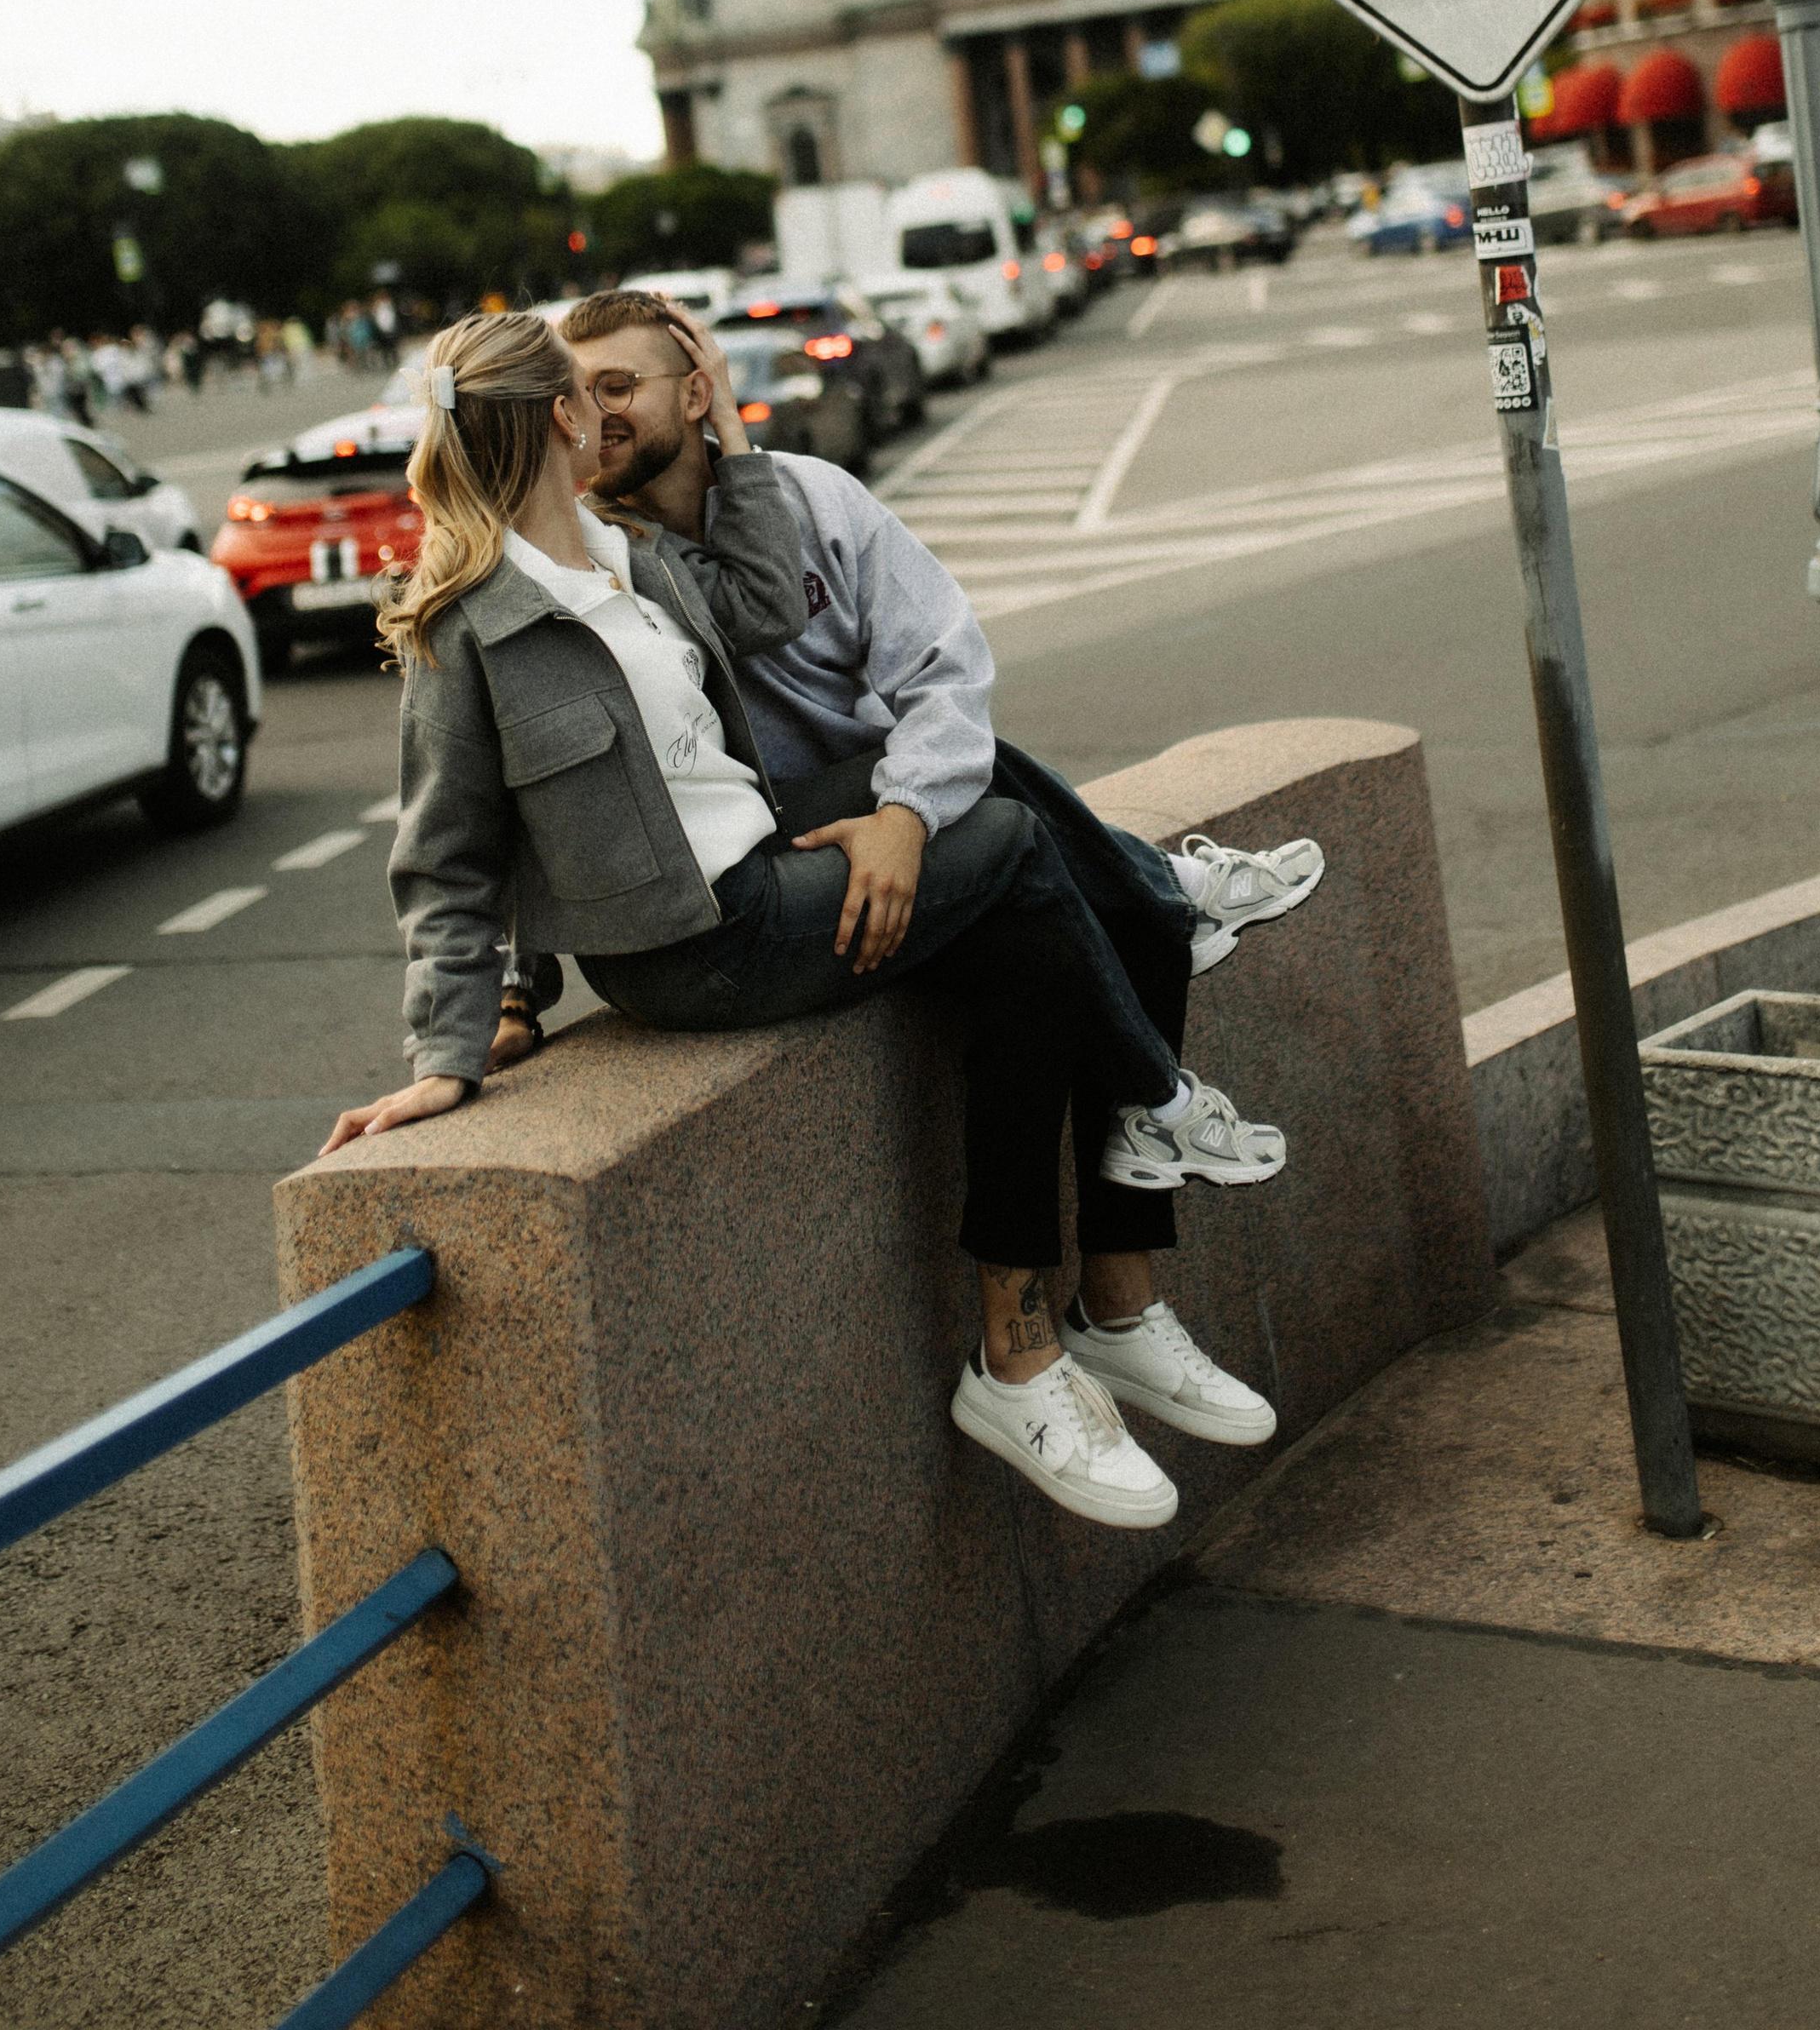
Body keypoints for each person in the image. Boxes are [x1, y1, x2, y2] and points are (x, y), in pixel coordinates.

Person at [320, 305, 1289, 1531]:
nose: (612, 410)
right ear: (563, 417)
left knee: (966, 805)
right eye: (592, 391)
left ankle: (1136, 1038)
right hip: (703, 941)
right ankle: (1150, 1091)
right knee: (1005, 846)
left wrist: (727, 424)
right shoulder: (470, 630)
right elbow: (450, 863)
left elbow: (772, 601)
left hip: (765, 852)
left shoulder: (634, 560)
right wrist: (452, 1050)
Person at [558, 289, 1312, 1466]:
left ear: (691, 391)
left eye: (620, 386)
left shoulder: (823, 500)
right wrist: (503, 995)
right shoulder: (596, 557)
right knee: (1077, 887)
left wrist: (907, 814)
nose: (593, 414)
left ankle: (1108, 1310)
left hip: (899, 838)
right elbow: (506, 780)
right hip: (779, 865)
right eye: (575, 393)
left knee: (1055, 936)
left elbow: (945, 672)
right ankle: (1155, 924)